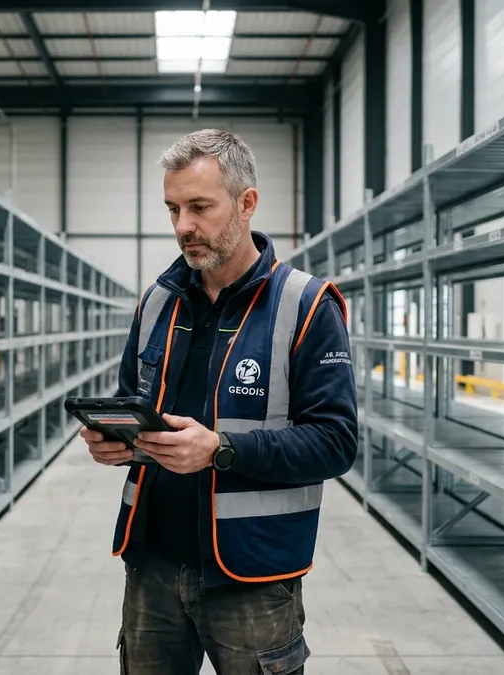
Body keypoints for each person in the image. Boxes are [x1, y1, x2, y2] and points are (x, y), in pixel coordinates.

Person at [80, 128, 358, 675]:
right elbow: (131, 402)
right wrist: (118, 441)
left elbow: (335, 443)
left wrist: (221, 450)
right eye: (173, 208)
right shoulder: (157, 301)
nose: (184, 226)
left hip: (250, 576)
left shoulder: (305, 306)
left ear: (246, 203)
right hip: (152, 565)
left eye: (200, 207)